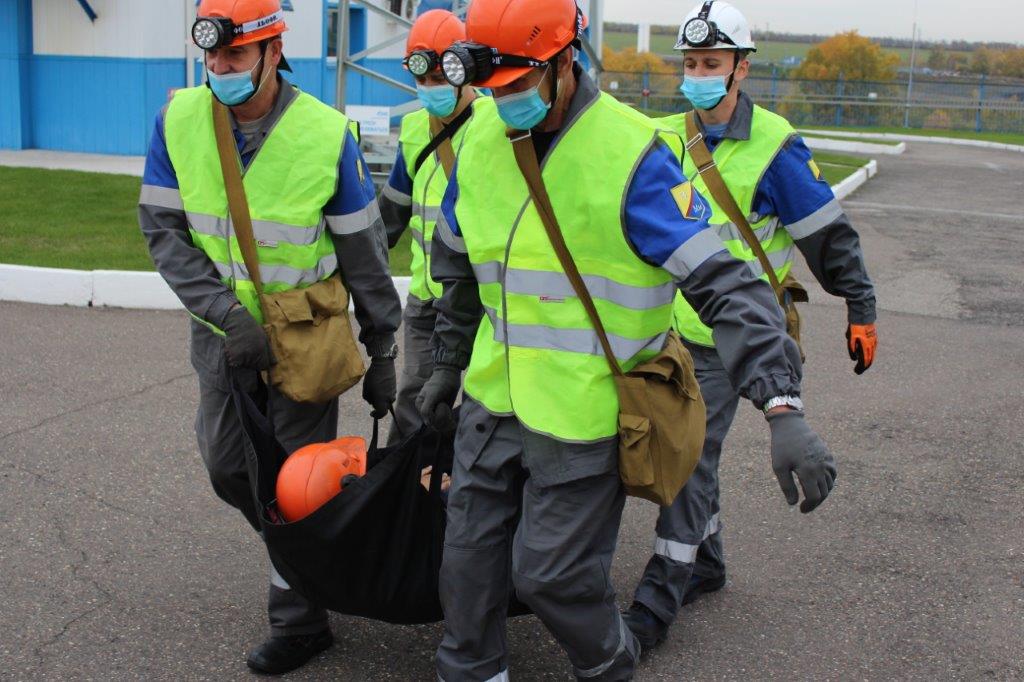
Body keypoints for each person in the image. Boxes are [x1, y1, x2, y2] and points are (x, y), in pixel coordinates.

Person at [414, 0, 838, 678]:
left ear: (564, 61)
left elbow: (725, 285)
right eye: (494, 89)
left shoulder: (635, 156)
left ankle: (609, 661)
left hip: (586, 415)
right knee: (464, 575)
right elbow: (458, 265)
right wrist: (445, 364)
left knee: (549, 577)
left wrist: (781, 404)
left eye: (519, 85)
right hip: (495, 403)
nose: (504, 102)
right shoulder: (478, 143)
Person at [137, 0, 401, 674]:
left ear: (273, 52)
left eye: (235, 56)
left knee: (292, 481)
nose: (220, 69)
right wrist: (226, 315)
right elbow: (163, 233)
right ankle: (317, 547)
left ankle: (301, 620)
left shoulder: (324, 133)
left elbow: (364, 252)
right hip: (224, 337)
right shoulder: (179, 120)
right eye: (213, 57)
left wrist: (384, 346)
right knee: (229, 465)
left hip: (305, 336)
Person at [623, 0, 878, 650]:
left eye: (711, 63)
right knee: (680, 454)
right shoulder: (664, 135)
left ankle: (654, 606)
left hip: (732, 339)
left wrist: (861, 309)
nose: (698, 74)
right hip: (670, 334)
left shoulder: (775, 150)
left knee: (685, 463)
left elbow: (830, 240)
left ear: (740, 69)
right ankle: (705, 562)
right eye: (689, 63)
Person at [379, 10, 492, 444]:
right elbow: (390, 216)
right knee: (416, 400)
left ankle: (466, 487)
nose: (430, 90)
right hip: (427, 301)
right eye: (422, 81)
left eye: (440, 78)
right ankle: (405, 492)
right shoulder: (413, 131)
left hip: (483, 303)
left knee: (485, 406)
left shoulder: (494, 125)